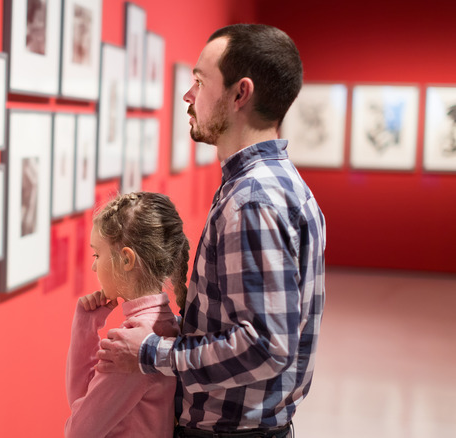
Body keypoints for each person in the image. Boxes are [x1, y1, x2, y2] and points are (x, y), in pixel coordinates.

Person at [96, 24, 326, 438]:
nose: (188, 96)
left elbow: (265, 347)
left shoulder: (253, 199)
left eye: (199, 82)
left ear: (240, 93)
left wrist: (150, 353)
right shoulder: (280, 183)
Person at [65, 192, 191, 437]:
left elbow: (78, 430)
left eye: (97, 255)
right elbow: (85, 400)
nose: (93, 265)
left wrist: (82, 329)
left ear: (125, 259)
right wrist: (86, 325)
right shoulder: (162, 324)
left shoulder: (131, 348)